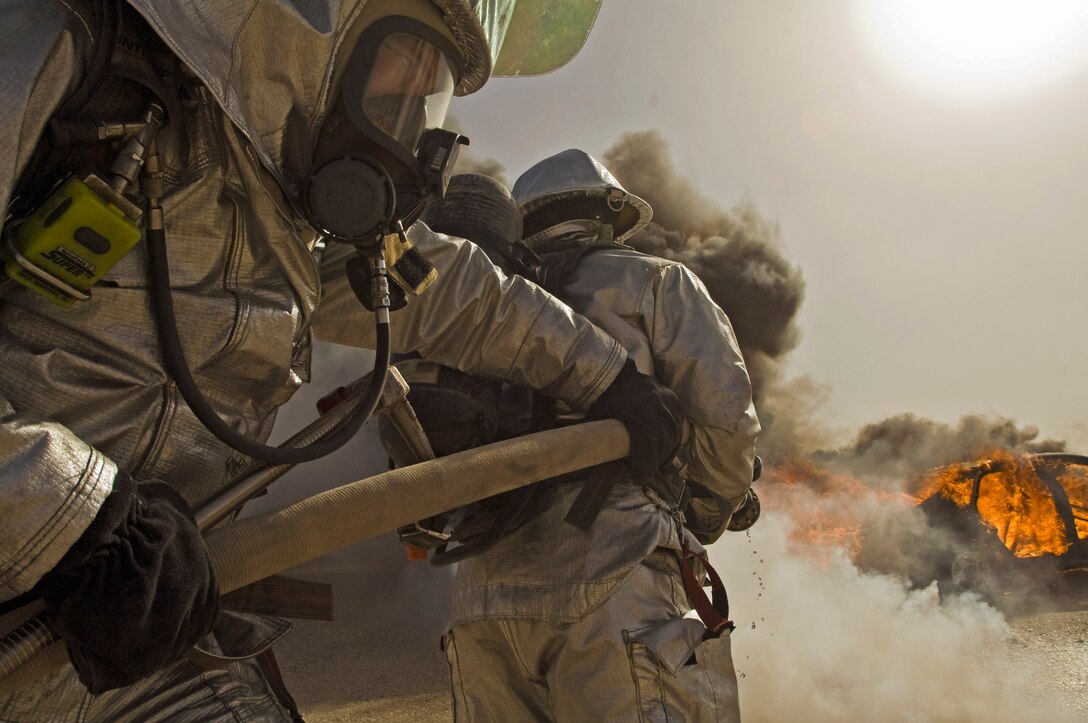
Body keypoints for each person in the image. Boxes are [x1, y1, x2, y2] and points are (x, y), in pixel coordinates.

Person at [0, 2, 684, 720]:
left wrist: (609, 376)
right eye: (412, 58)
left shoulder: (299, 214)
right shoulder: (63, 48)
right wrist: (75, 512)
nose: (417, 107)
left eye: (437, 86)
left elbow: (454, 293)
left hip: (143, 641)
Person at [420, 156, 761, 721]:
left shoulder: (478, 299)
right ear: (610, 212)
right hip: (614, 575)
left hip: (482, 592)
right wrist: (712, 509)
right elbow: (727, 426)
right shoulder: (658, 281)